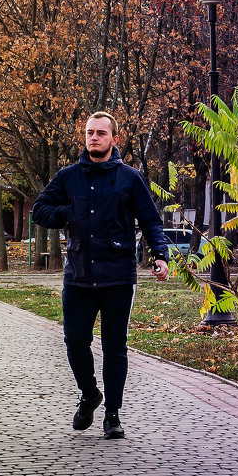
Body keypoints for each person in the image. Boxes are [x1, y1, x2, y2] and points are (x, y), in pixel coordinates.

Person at [31, 112, 169, 440]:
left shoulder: (129, 178)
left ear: (114, 139)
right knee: (75, 341)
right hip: (78, 276)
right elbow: (40, 211)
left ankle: (113, 415)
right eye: (90, 133)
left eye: (101, 133)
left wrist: (160, 255)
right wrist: (68, 213)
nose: (94, 137)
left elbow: (150, 220)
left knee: (115, 346)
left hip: (118, 277)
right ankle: (90, 394)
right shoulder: (68, 177)